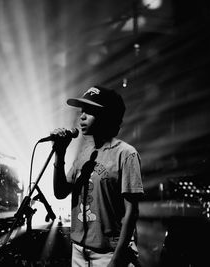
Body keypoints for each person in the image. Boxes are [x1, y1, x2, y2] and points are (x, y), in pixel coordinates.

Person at [52, 86, 144, 267]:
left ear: (106, 116)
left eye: (89, 112)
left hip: (109, 254)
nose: (82, 117)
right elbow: (60, 192)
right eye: (81, 112)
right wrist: (60, 154)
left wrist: (116, 261)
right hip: (79, 251)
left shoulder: (125, 154)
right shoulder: (84, 154)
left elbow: (131, 213)